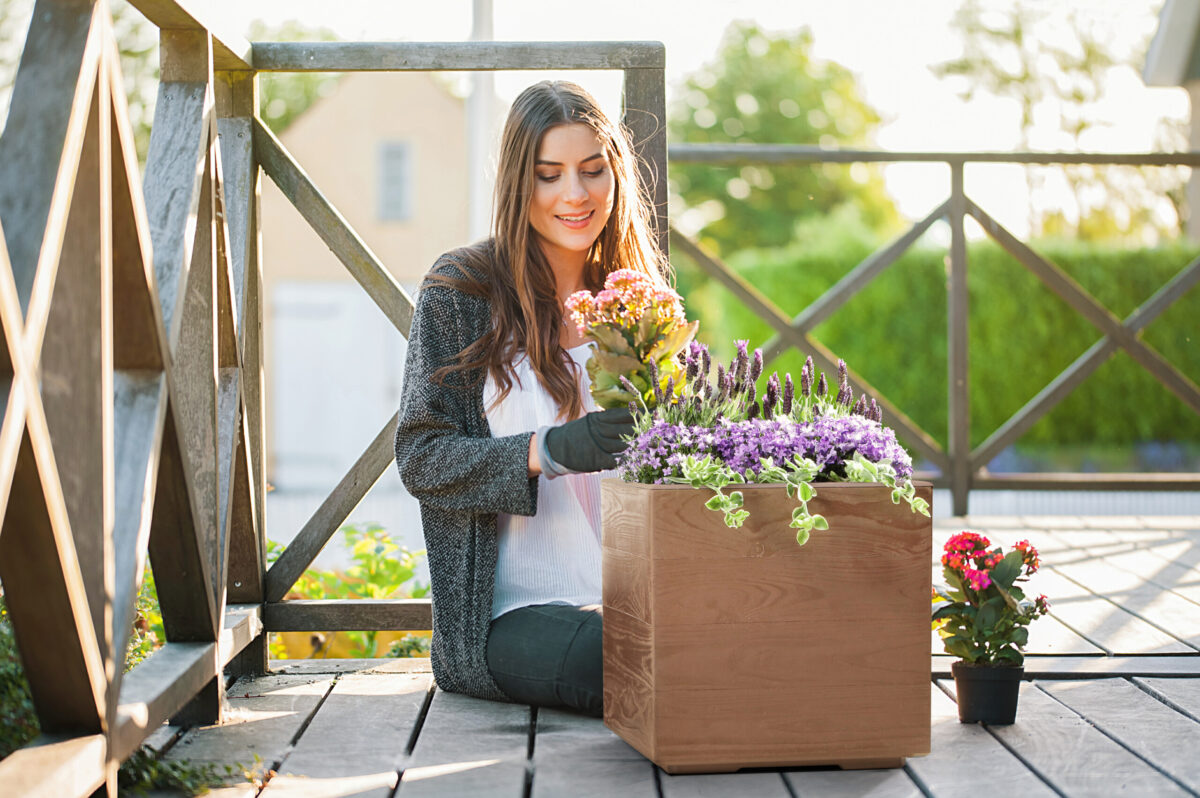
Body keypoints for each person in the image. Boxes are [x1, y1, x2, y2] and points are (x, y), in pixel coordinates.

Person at [394, 80, 671, 716]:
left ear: (615, 177)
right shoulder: (462, 291)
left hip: (636, 592)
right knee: (632, 655)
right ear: (520, 184)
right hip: (509, 615)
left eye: (592, 170)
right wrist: (553, 450)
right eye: (549, 175)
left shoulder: (637, 300)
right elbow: (422, 458)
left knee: (731, 632)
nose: (574, 195)